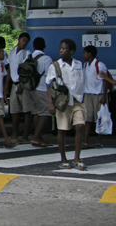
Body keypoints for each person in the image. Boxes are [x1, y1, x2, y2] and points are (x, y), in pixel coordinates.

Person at [46, 39, 86, 170]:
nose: (60, 51)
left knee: (80, 126)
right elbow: (48, 84)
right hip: (63, 103)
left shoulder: (79, 64)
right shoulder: (55, 66)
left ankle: (77, 158)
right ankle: (63, 159)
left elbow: (81, 81)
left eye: (63, 49)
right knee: (62, 130)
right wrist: (51, 103)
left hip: (77, 100)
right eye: (60, 48)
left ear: (72, 51)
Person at [28, 37, 54, 147]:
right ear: (44, 46)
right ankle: (35, 137)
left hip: (31, 88)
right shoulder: (46, 58)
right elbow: (50, 76)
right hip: (42, 87)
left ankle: (39, 138)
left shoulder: (29, 56)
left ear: (33, 46)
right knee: (46, 113)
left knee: (36, 113)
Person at [8, 32, 32, 143]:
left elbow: (26, 71)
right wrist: (7, 86)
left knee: (26, 110)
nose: (24, 43)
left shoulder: (27, 53)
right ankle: (14, 134)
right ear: (19, 40)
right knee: (14, 110)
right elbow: (10, 69)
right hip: (14, 83)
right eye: (23, 40)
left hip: (23, 84)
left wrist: (22, 85)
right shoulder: (12, 52)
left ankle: (25, 135)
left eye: (26, 41)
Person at [82, 45, 108, 149]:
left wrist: (104, 96)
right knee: (88, 118)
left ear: (90, 54)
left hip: (98, 95)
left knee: (99, 118)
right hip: (88, 94)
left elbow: (105, 80)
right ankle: (85, 140)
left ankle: (98, 141)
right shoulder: (85, 65)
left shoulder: (100, 65)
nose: (83, 55)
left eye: (85, 53)